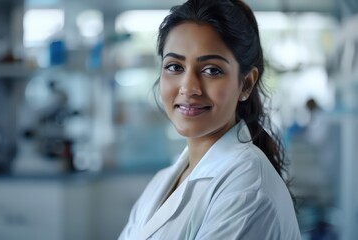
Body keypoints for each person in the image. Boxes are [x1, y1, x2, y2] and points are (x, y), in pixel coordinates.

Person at [118, 0, 301, 239]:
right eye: (174, 67)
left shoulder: (248, 189)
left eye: (211, 70)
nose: (189, 88)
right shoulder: (163, 181)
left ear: (246, 84)